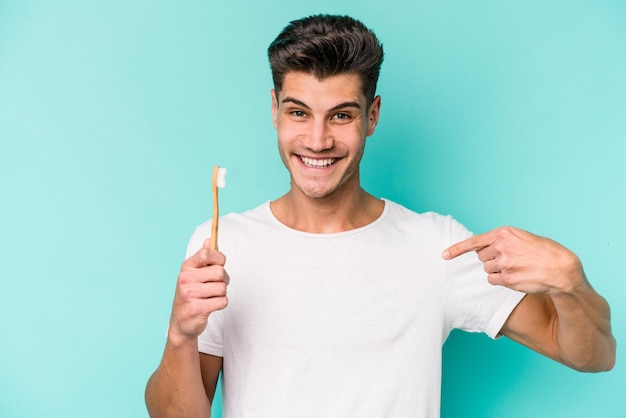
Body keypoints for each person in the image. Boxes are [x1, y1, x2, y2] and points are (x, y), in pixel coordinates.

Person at [145, 14, 615, 417]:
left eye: (341, 116)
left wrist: (572, 283)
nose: (317, 140)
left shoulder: (439, 246)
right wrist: (180, 333)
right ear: (275, 111)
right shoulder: (222, 246)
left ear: (372, 116)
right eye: (299, 112)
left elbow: (592, 355)